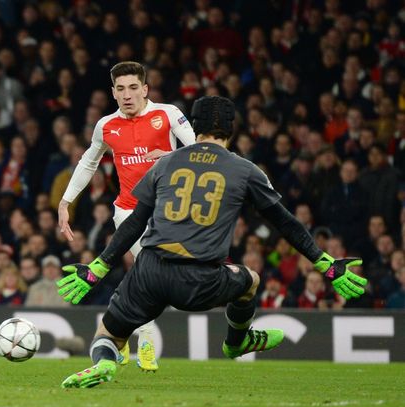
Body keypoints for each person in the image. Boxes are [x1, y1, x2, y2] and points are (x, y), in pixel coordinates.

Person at [57, 96, 367, 388]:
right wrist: (325, 264)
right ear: (231, 129)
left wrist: (98, 267)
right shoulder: (245, 170)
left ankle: (106, 362)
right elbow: (286, 222)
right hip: (200, 281)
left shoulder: (164, 164)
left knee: (108, 334)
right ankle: (237, 341)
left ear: (194, 125)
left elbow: (135, 222)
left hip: (149, 271)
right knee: (251, 279)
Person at [57, 61, 196, 372]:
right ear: (113, 92)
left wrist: (170, 155)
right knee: (146, 272)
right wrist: (65, 201)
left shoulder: (168, 114)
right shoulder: (106, 126)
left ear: (145, 89)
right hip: (129, 212)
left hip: (168, 212)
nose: (127, 94)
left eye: (134, 87)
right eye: (121, 89)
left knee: (155, 279)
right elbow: (88, 162)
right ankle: (144, 337)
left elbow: (202, 151)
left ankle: (116, 337)